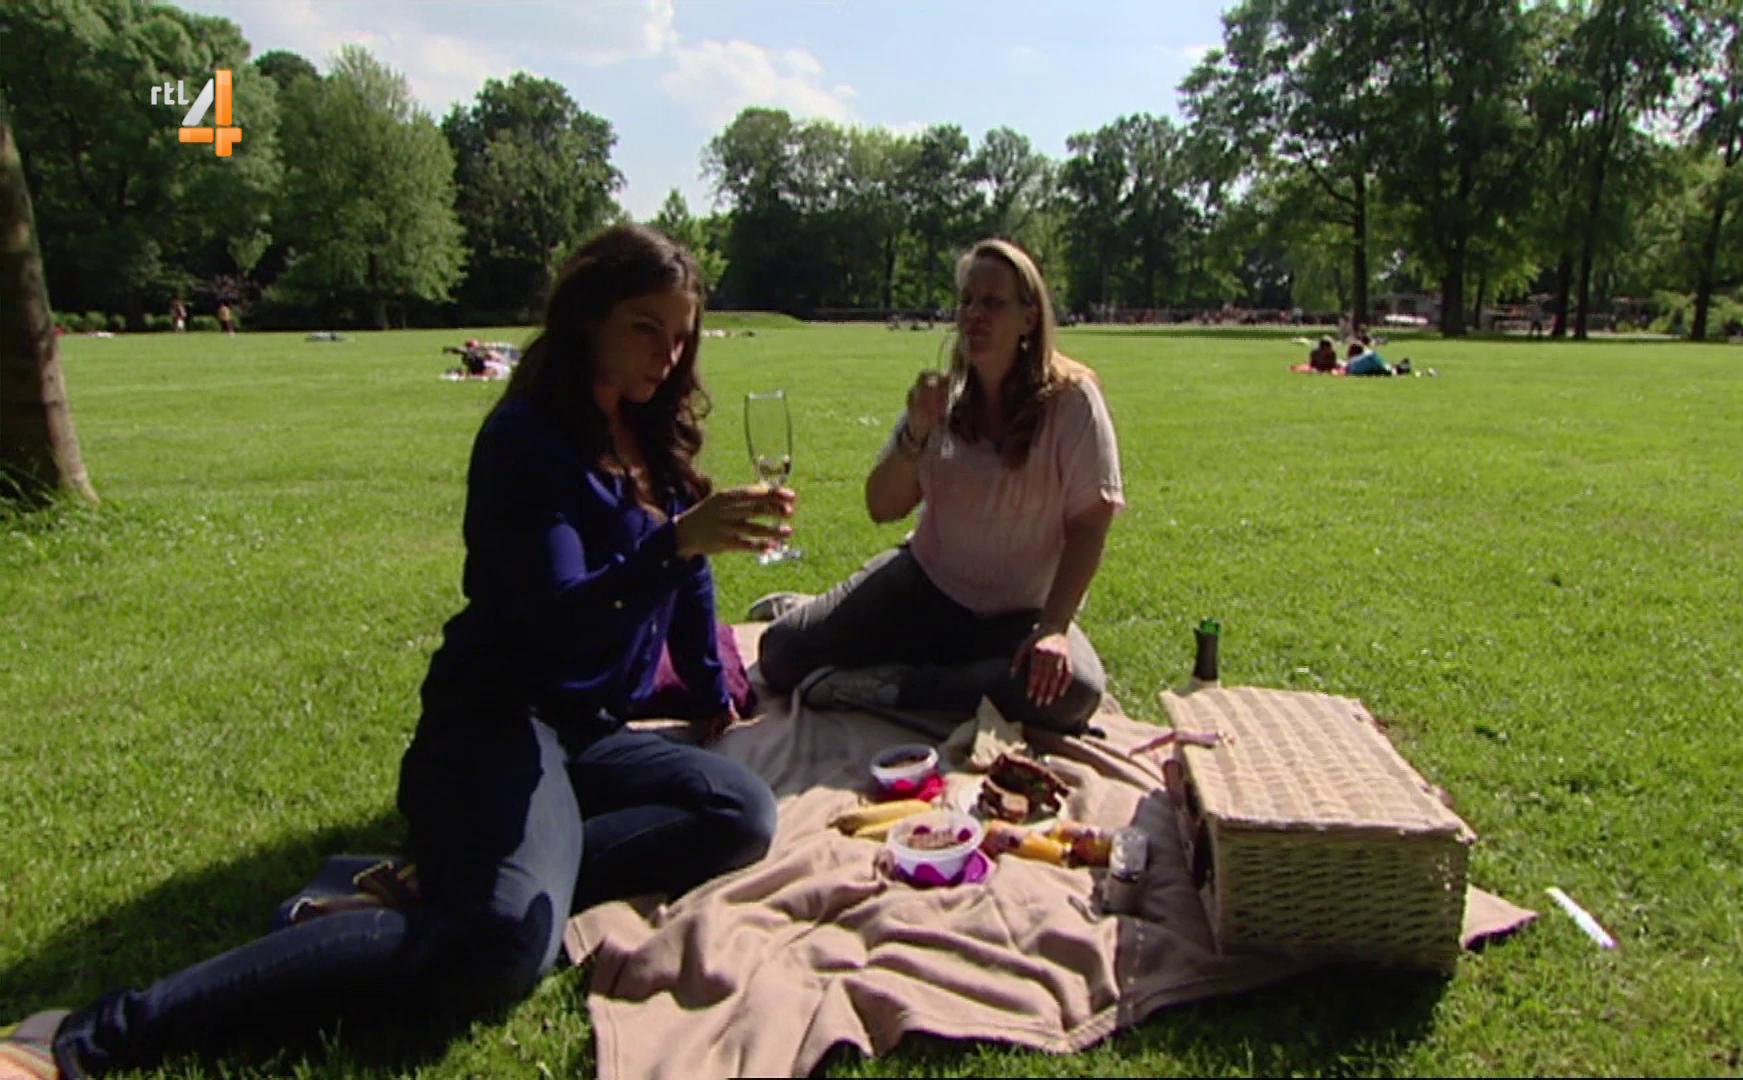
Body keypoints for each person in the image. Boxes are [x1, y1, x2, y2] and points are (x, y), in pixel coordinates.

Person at [0, 224, 791, 1080]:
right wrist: (673, 543)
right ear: (589, 317)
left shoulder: (652, 434)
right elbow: (557, 618)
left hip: (588, 730)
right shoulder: (527, 442)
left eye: (681, 336)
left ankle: (463, 872)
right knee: (502, 946)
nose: (667, 356)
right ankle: (85, 1037)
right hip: (497, 717)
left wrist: (711, 688)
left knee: (740, 815)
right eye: (646, 327)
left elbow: (689, 580)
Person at [756, 239, 1122, 735]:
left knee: (1076, 691)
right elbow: (882, 506)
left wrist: (1054, 629)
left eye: (993, 303)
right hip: (926, 586)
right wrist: (916, 433)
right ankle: (815, 615)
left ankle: (891, 685)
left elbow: (1089, 525)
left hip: (1021, 614)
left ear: (1029, 318)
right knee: (780, 655)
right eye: (967, 301)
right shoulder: (942, 397)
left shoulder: (1072, 402)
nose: (974, 316)